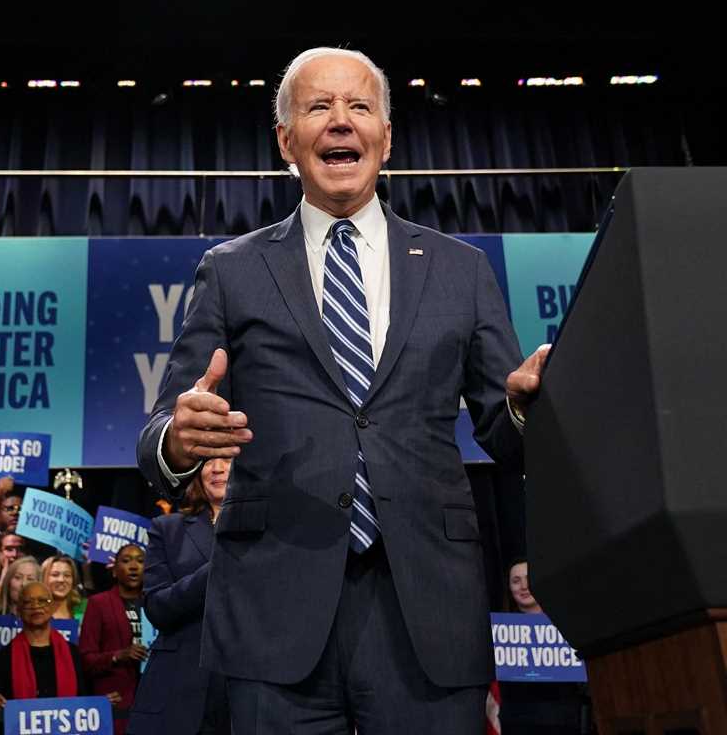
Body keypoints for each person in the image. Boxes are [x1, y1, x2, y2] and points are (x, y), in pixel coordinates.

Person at [136, 46, 550, 734]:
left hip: (426, 607)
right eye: (318, 107)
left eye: (359, 106)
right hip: (274, 609)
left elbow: (504, 434)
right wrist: (177, 439)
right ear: (286, 141)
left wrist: (525, 408)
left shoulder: (461, 270)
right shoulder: (231, 271)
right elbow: (158, 434)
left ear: (386, 139)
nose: (339, 122)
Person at [130, 458, 231, 735]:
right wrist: (217, 567)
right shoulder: (168, 529)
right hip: (178, 694)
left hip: (245, 694)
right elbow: (157, 608)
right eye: (208, 462)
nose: (217, 468)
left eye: (227, 460)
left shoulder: (267, 530)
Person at [499, 559, 590, 734]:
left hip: (565, 722)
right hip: (518, 724)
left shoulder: (568, 622)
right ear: (509, 588)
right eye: (516, 581)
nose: (524, 586)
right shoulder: (500, 632)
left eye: (528, 578)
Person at [0, 581, 90, 708]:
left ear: (52, 608)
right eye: (28, 602)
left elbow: (85, 701)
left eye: (42, 601)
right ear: (19, 610)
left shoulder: (73, 653)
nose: (36, 606)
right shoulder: (4, 657)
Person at [79, 544, 148, 734]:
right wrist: (118, 655)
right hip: (115, 703)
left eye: (140, 561)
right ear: (115, 571)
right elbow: (86, 658)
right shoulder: (98, 603)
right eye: (126, 561)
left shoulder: (156, 603)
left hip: (154, 701)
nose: (134, 566)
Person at [41, 554, 88, 622]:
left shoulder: (85, 608)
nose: (61, 580)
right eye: (55, 575)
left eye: (67, 575)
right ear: (44, 578)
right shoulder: (34, 609)